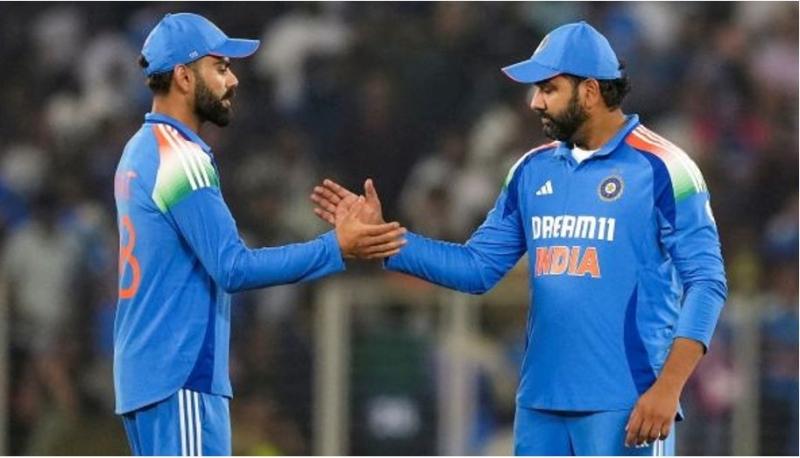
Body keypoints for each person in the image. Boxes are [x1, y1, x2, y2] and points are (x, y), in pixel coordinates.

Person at [311, 21, 727, 456]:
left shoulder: (664, 168)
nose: (534, 102)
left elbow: (707, 282)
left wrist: (669, 387)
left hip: (626, 402)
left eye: (548, 89)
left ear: (590, 91)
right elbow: (477, 268)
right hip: (540, 404)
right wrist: (382, 240)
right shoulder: (531, 170)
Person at [113, 12, 406, 456]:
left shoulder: (138, 150)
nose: (232, 80)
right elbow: (232, 267)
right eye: (220, 67)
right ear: (184, 77)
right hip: (180, 373)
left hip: (147, 375)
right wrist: (336, 247)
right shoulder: (181, 158)